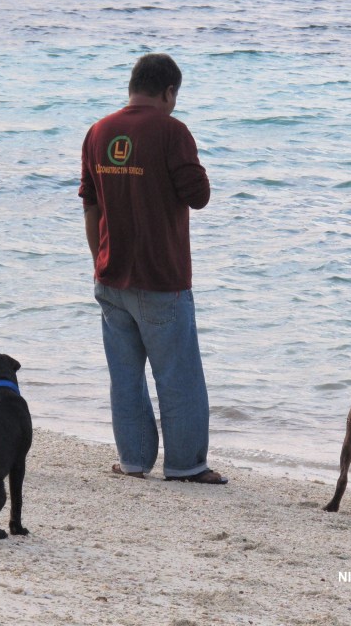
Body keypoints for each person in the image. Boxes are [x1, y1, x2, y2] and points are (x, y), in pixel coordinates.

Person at [78, 53, 227, 485]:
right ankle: (186, 466)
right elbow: (198, 195)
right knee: (178, 376)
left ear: (132, 85)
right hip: (161, 277)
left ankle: (134, 460)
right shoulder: (171, 130)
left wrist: (97, 262)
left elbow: (90, 203)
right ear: (169, 92)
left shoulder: (98, 131)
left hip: (109, 274)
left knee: (125, 377)